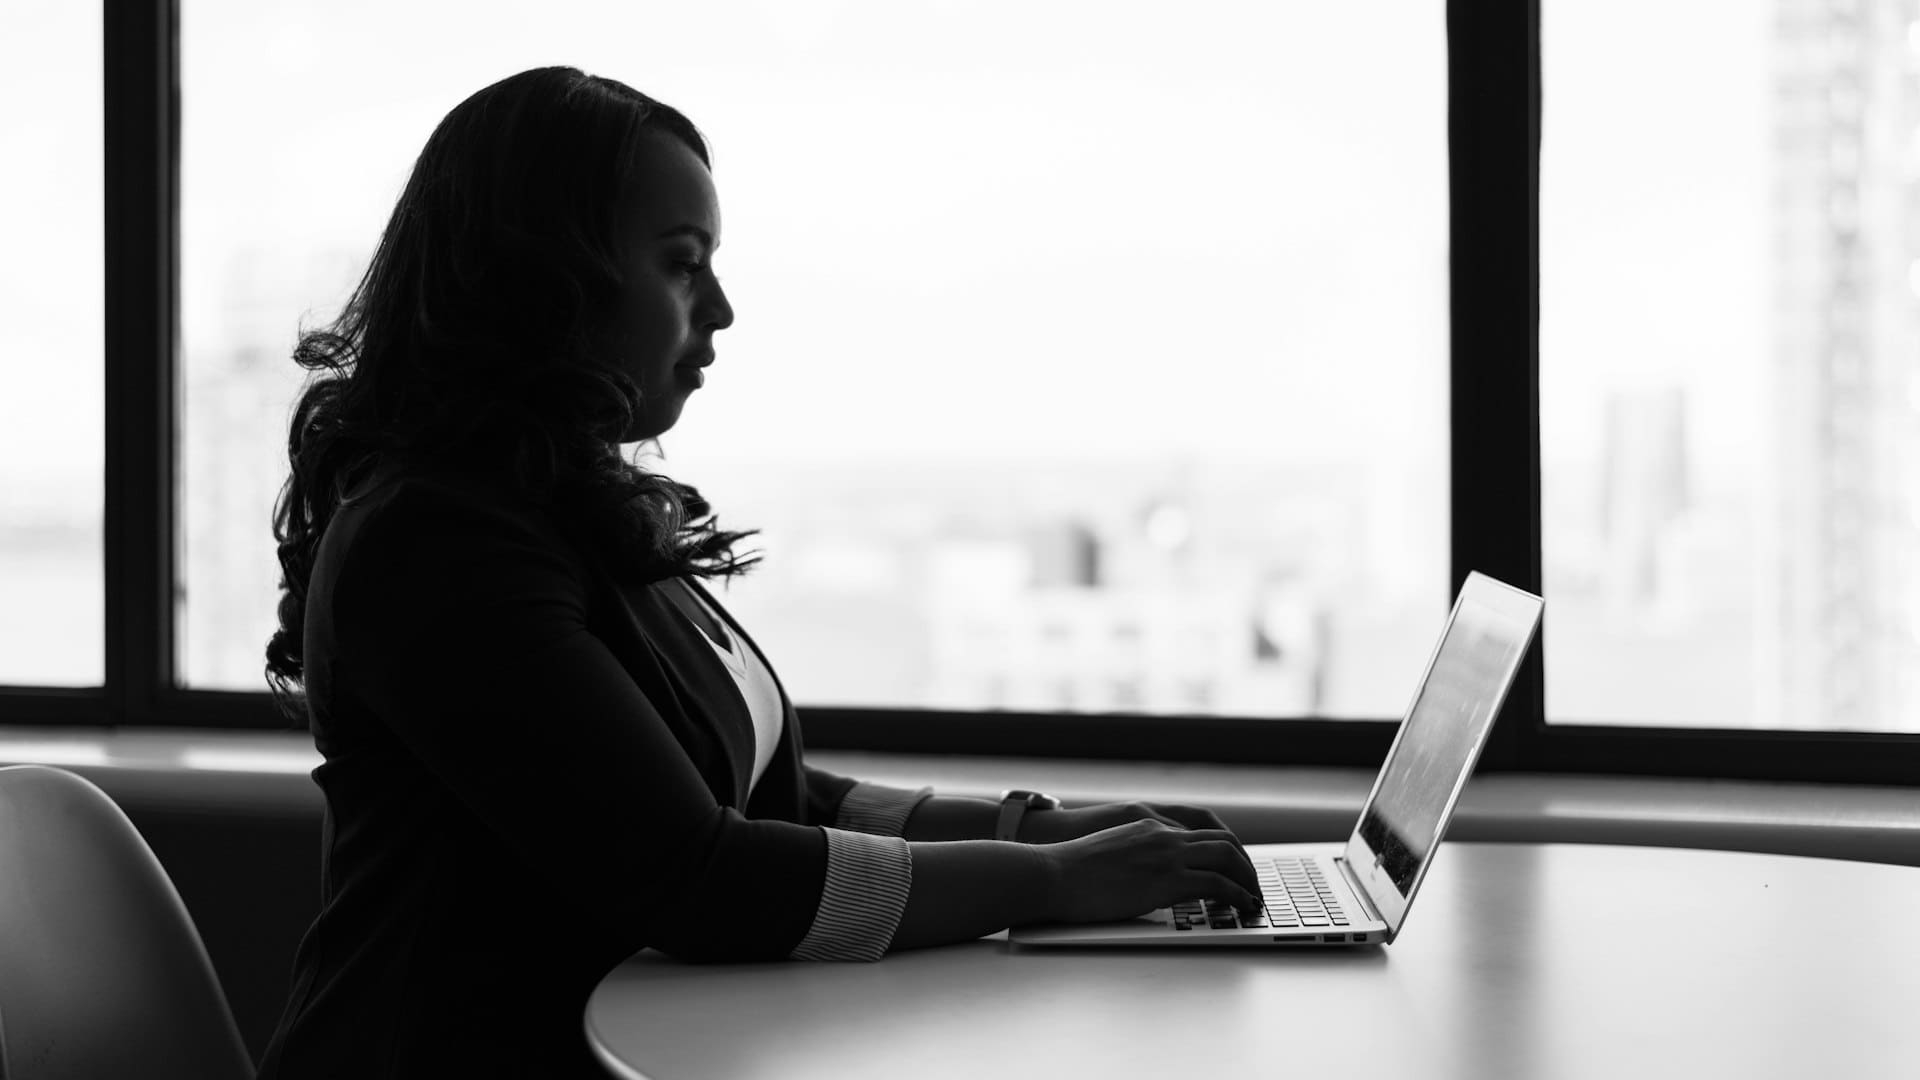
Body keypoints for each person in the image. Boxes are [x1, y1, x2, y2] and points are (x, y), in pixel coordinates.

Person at [254, 66, 1265, 1080]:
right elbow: (698, 873)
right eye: (683, 264)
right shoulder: (436, 542)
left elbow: (769, 797)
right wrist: (1049, 881)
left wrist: (1030, 828)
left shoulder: (559, 503)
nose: (723, 309)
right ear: (543, 280)